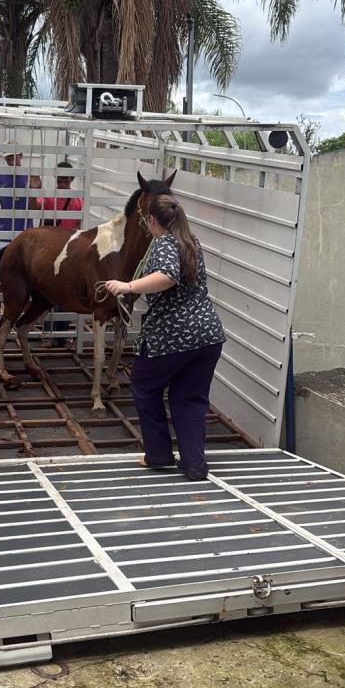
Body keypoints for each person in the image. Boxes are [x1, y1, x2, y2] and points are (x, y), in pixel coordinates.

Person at [104, 193, 225, 480]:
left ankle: (158, 455)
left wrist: (128, 286)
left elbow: (167, 276)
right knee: (189, 398)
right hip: (208, 335)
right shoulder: (191, 242)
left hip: (173, 336)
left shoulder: (163, 243)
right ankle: (195, 466)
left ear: (152, 220)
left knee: (145, 387)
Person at [38, 160, 84, 346]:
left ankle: (62, 334)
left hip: (69, 253)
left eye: (66, 180)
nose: (63, 183)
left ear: (71, 179)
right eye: (60, 180)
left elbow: (78, 226)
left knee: (66, 293)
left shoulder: (77, 200)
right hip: (52, 251)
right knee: (50, 292)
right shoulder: (50, 198)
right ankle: (50, 334)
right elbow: (36, 205)